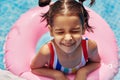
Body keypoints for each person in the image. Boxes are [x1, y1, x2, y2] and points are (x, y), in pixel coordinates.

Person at [30, 0, 101, 80]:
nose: (68, 38)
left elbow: (96, 62)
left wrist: (83, 71)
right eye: (60, 32)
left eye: (74, 31)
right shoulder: (47, 52)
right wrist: (57, 75)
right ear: (51, 31)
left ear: (83, 29)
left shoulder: (89, 47)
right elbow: (35, 68)